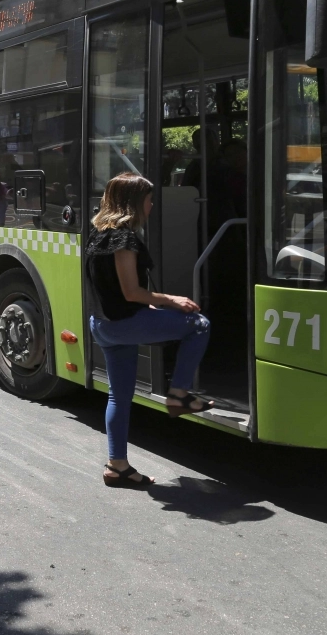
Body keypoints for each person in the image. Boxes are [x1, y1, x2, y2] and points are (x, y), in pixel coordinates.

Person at [86, 173, 213, 488]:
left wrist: (150, 307)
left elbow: (113, 289)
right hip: (125, 323)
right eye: (149, 199)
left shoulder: (98, 232)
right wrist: (171, 299)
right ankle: (179, 395)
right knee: (199, 325)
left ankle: (117, 467)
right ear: (134, 202)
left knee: (119, 396)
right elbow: (130, 291)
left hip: (102, 324)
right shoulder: (124, 238)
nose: (152, 205)